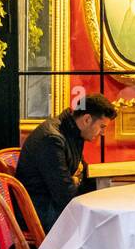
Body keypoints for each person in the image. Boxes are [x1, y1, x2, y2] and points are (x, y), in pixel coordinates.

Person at [16, 93, 116, 231]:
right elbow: (65, 196)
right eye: (102, 126)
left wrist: (77, 180)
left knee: (108, 211)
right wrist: (76, 180)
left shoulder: (72, 131)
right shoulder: (52, 139)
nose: (103, 133)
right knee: (108, 223)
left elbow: (83, 173)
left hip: (52, 206)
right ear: (87, 119)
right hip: (41, 214)